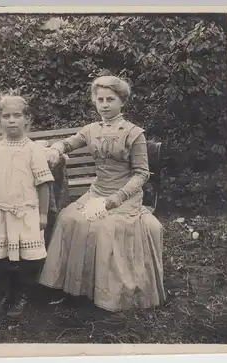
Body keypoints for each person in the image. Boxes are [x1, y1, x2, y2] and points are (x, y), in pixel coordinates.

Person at [39, 75, 166, 312]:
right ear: (94, 102)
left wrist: (115, 199)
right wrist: (56, 148)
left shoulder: (134, 133)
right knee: (69, 218)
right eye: (100, 99)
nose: (105, 104)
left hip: (124, 196)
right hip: (97, 191)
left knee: (105, 227)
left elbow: (141, 174)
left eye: (111, 99)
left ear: (122, 101)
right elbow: (68, 144)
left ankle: (108, 293)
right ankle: (73, 287)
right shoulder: (90, 130)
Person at [0, 95, 54, 318]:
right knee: (0, 259)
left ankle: (22, 295)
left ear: (27, 120)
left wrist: (43, 214)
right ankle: (5, 295)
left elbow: (43, 185)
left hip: (26, 212)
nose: (11, 121)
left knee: (27, 260)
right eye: (6, 116)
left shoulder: (34, 150)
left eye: (17, 115)